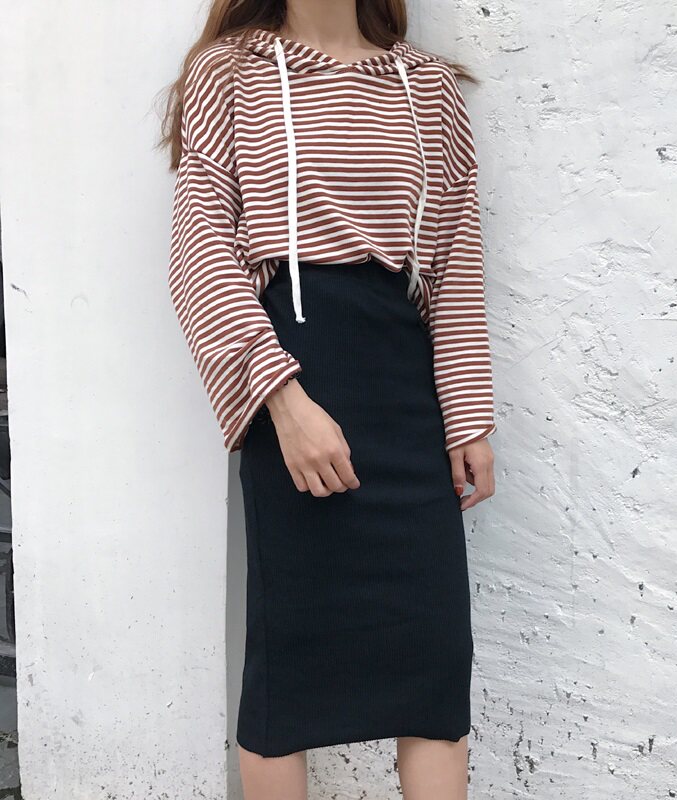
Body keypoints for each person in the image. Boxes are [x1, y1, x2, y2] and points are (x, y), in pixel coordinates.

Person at [160, 1, 497, 797]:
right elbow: (199, 248)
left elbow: (453, 262)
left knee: (434, 668)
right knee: (289, 672)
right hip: (294, 380)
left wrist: (468, 416)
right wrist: (283, 398)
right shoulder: (229, 72)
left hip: (404, 391)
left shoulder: (428, 86)